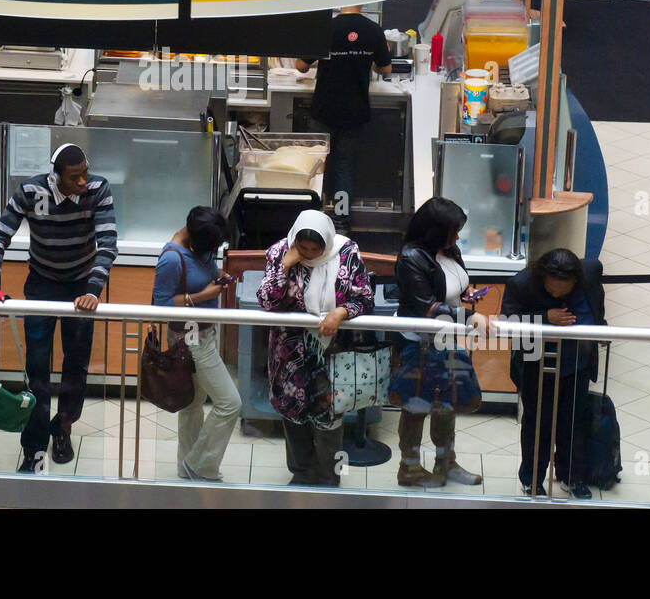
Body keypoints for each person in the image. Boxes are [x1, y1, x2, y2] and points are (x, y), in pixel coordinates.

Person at [0, 143, 117, 473]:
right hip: (42, 284)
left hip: (82, 286)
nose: (83, 181)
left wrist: (93, 291)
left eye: (85, 172)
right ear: (55, 177)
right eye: (75, 177)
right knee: (38, 367)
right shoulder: (31, 191)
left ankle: (64, 427)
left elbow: (108, 243)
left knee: (76, 364)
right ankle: (34, 445)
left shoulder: (98, 189)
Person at [257, 210, 373, 487]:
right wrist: (284, 266)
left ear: (328, 242)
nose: (308, 254)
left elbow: (365, 297)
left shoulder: (346, 253)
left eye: (315, 248)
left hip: (332, 351)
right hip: (289, 352)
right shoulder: (279, 252)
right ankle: (301, 472)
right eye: (303, 247)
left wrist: (341, 312)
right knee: (292, 410)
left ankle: (330, 478)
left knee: (330, 415)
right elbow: (267, 301)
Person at [393, 197, 488, 488]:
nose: (457, 237)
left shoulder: (448, 250)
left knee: (446, 403)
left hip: (445, 339)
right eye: (453, 231)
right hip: (417, 343)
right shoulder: (411, 258)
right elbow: (426, 307)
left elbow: (450, 288)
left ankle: (445, 462)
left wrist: (466, 295)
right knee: (416, 404)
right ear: (435, 230)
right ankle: (409, 468)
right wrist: (469, 316)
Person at [501, 248, 606, 499]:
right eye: (551, 290)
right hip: (537, 364)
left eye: (563, 290)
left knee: (573, 422)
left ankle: (572, 476)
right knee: (538, 423)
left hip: (576, 363)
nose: (557, 294)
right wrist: (545, 317)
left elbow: (596, 305)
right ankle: (532, 479)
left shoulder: (590, 272)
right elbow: (507, 322)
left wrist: (600, 328)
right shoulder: (522, 283)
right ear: (542, 278)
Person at [151, 205, 240, 482]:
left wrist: (217, 281)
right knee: (230, 403)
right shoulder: (171, 259)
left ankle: (187, 468)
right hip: (190, 339)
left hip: (205, 333)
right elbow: (160, 303)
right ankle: (199, 465)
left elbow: (201, 277)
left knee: (193, 403)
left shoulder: (198, 246)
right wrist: (203, 296)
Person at [295, 5, 392, 233]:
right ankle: (340, 221)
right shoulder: (373, 30)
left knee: (316, 166)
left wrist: (324, 59)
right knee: (344, 168)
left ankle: (312, 220)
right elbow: (386, 69)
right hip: (354, 111)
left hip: (324, 109)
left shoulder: (326, 27)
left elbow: (300, 66)